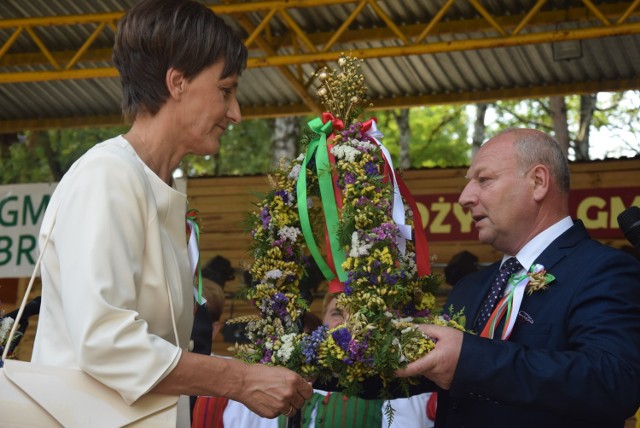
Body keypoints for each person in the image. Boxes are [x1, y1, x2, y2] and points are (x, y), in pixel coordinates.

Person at [30, 1, 312, 426]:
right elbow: (105, 340)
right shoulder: (107, 175)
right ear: (177, 82)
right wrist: (239, 379)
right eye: (225, 90)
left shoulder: (151, 184)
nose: (235, 113)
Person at [397, 128, 640, 427]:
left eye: (483, 179)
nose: (464, 198)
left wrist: (471, 358)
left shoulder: (605, 270)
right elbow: (426, 371)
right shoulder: (469, 288)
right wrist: (343, 356)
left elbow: (614, 382)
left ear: (538, 182)